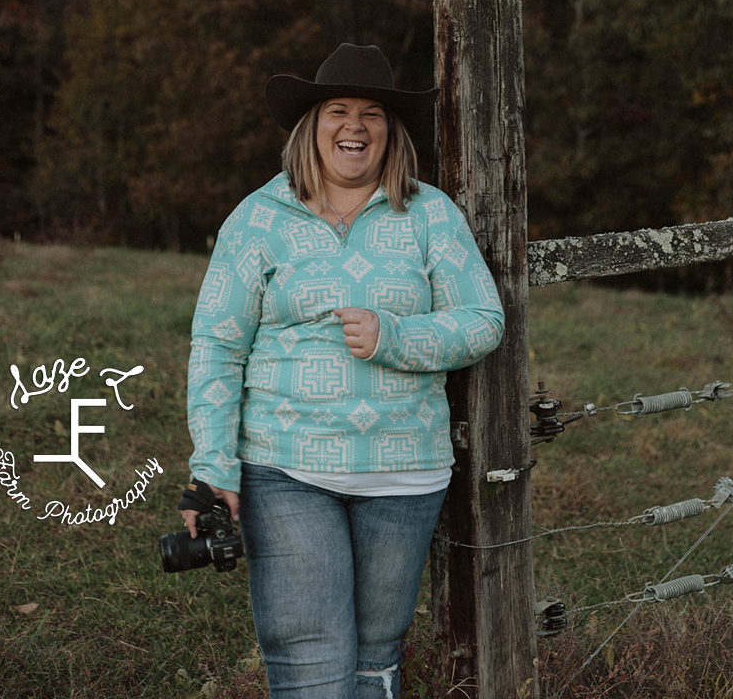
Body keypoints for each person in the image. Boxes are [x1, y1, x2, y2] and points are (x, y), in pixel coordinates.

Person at [179, 43, 504, 697]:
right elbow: (217, 344)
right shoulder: (259, 219)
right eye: (338, 110)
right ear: (312, 125)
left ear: (390, 132)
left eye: (372, 114)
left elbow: (483, 318)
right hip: (286, 467)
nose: (355, 126)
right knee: (313, 668)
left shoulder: (430, 214)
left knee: (376, 660)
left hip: (405, 472)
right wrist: (213, 467)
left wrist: (396, 335)